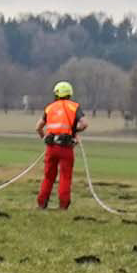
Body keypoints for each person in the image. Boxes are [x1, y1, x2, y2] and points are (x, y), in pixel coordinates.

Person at [36, 80, 87, 211]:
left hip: (51, 148)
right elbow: (84, 124)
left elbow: (38, 127)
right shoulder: (74, 107)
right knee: (65, 176)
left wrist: (44, 137)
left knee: (48, 176)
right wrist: (75, 132)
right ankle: (63, 205)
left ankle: (42, 203)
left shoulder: (49, 107)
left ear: (56, 94)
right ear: (69, 94)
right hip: (66, 148)